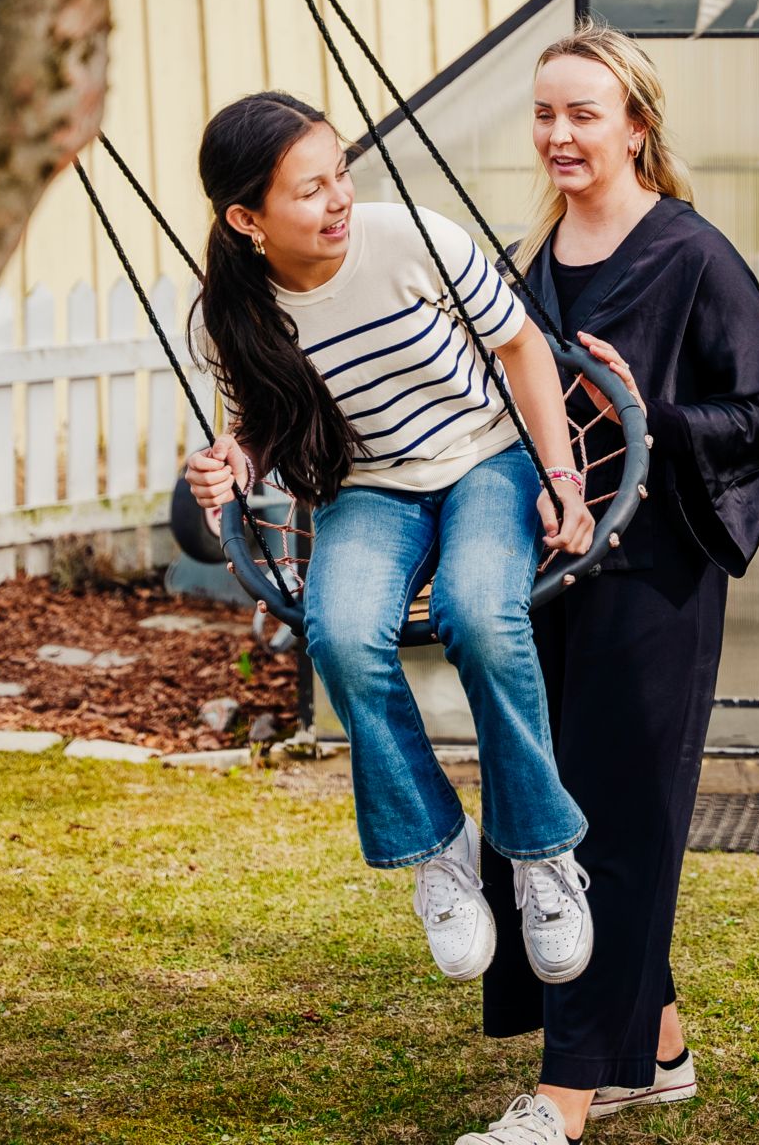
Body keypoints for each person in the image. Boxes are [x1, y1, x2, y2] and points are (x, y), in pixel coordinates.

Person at [458, 23, 759, 1145]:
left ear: (637, 126)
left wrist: (649, 416)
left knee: (614, 825)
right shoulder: (527, 260)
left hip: (654, 576)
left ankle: (566, 1097)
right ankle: (658, 1052)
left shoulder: (694, 255)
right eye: (544, 113)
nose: (558, 133)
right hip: (546, 570)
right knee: (543, 805)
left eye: (583, 113)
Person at [183, 91, 597, 995]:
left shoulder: (413, 238)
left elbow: (525, 348)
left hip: (487, 457)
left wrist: (561, 476)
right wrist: (231, 463)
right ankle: (439, 849)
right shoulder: (230, 317)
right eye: (309, 190)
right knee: (337, 632)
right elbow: (262, 426)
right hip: (369, 486)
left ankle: (541, 854)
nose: (339, 200)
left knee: (480, 615)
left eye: (340, 174)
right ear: (248, 220)